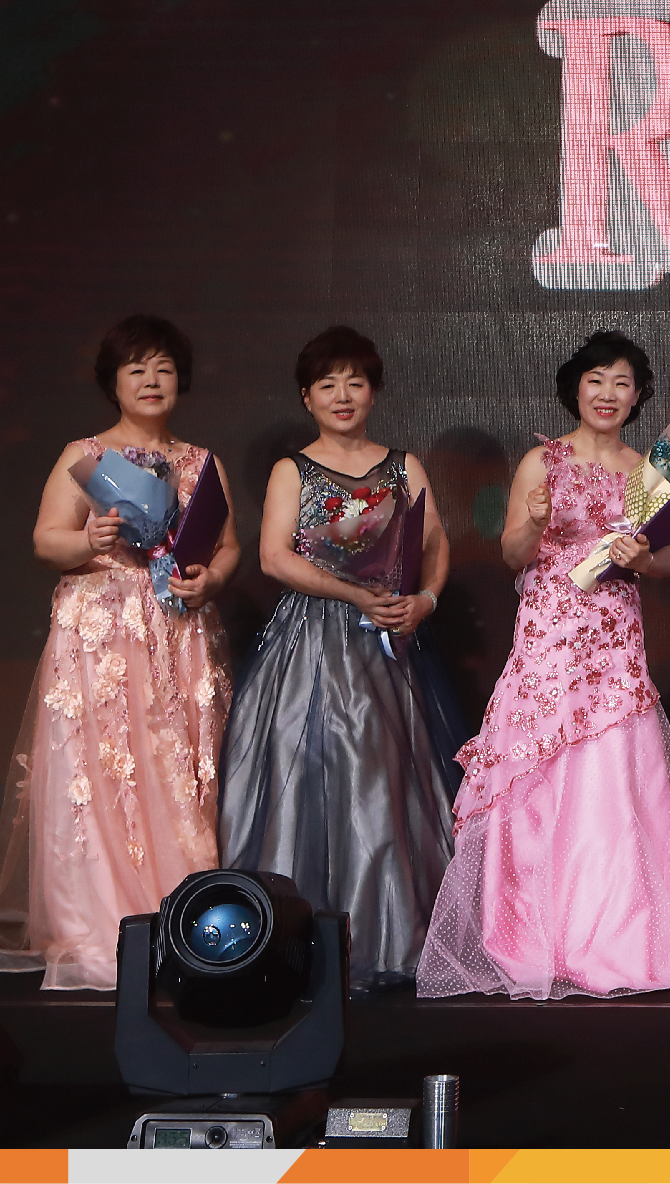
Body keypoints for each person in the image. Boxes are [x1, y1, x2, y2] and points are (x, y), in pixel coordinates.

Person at [419, 331, 670, 999]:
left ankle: (617, 927)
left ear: (637, 395)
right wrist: (535, 522)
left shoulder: (648, 471)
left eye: (621, 383)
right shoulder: (542, 462)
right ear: (576, 388)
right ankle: (535, 931)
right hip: (549, 638)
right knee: (539, 773)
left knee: (615, 777)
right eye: (596, 380)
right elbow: (512, 553)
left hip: (614, 640)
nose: (607, 394)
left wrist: (643, 557)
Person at [0, 316, 241, 991]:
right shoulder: (87, 456)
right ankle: (102, 930)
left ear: (180, 380)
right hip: (101, 633)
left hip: (177, 631)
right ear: (113, 382)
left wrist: (210, 579)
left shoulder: (201, 461)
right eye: (136, 369)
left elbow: (228, 548)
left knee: (178, 774)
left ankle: (184, 925)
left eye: (163, 368)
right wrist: (90, 538)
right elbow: (46, 541)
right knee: (101, 775)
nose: (151, 380)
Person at [216, 326, 454, 990]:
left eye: (355, 382)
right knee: (303, 777)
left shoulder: (403, 466)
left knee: (380, 782)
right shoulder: (291, 469)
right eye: (328, 384)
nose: (343, 395)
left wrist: (426, 599)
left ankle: (383, 933)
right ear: (307, 396)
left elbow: (435, 541)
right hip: (309, 643)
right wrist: (353, 593)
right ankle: (288, 941)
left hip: (384, 642)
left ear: (373, 391)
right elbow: (274, 557)